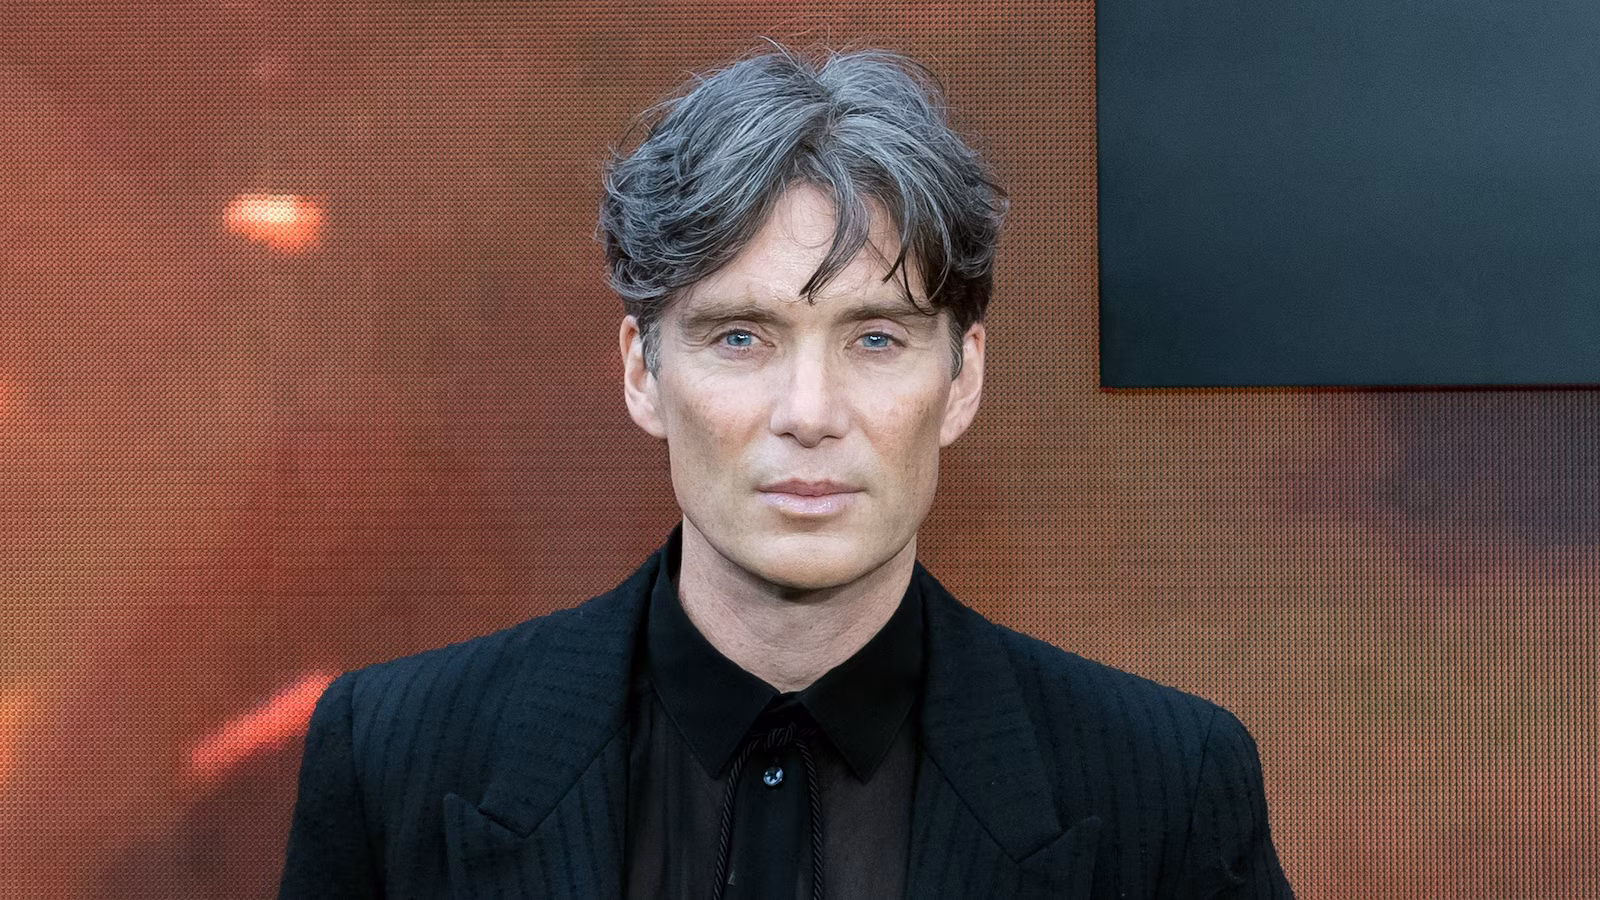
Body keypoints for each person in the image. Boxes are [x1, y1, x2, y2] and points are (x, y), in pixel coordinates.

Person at [278, 46, 1293, 899]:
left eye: (876, 338)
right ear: (642, 373)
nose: (809, 413)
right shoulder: (393, 758)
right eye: (740, 337)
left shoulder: (1168, 786)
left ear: (963, 379)